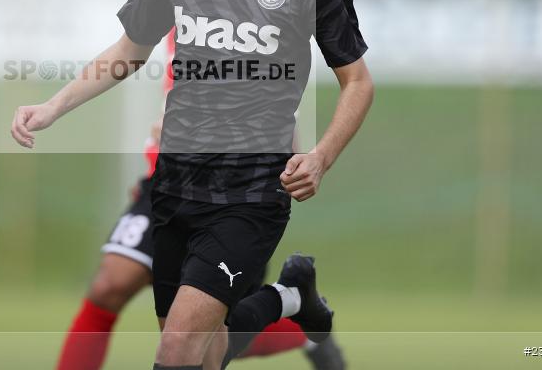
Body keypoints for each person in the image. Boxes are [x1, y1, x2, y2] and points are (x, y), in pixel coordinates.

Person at [12, 0, 374, 369]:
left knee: (176, 346)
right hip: (174, 185)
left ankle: (286, 299)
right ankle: (289, 298)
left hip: (251, 192)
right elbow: (130, 52)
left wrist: (323, 155)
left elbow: (357, 82)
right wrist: (52, 107)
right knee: (206, 351)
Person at [56, 33, 346, 370]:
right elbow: (137, 55)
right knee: (109, 285)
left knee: (213, 335)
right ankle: (292, 306)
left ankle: (295, 320)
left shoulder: (258, 7)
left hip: (233, 189)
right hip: (166, 181)